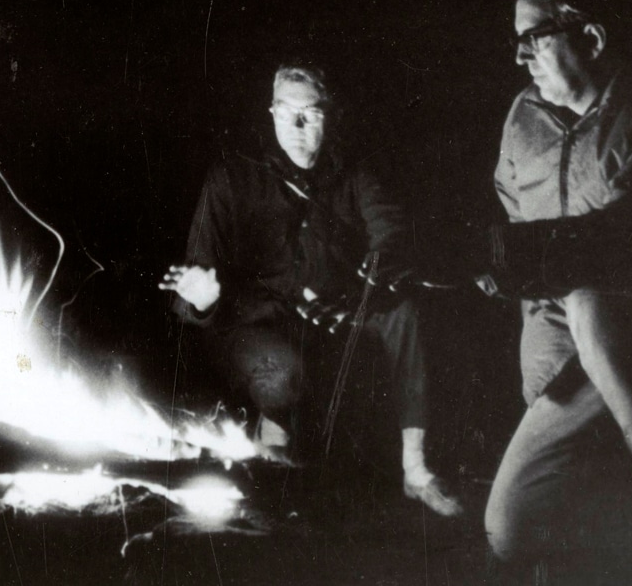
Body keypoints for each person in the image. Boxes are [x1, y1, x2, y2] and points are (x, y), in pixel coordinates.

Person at [161, 64, 462, 517]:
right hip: (256, 326)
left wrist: (372, 276)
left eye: (311, 114)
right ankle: (272, 462)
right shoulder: (231, 176)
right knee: (284, 375)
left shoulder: (353, 174)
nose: (298, 126)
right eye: (286, 112)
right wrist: (200, 297)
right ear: (271, 113)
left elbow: (392, 231)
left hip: (333, 312)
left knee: (407, 313)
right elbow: (191, 290)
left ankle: (416, 470)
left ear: (330, 116)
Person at [477, 0, 632, 567]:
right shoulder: (522, 120)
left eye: (533, 38)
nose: (521, 57)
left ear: (588, 39)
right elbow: (512, 213)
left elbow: (629, 239)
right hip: (555, 362)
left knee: (589, 303)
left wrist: (518, 257)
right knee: (521, 531)